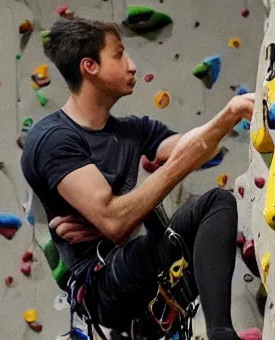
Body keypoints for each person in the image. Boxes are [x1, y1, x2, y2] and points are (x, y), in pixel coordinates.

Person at [20, 18, 260, 340]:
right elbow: (115, 221)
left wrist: (230, 114)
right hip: (101, 281)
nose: (131, 65)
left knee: (217, 203)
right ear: (89, 66)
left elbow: (189, 146)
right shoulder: (54, 139)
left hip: (140, 267)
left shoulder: (133, 130)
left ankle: (221, 333)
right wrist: (173, 169)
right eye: (118, 55)